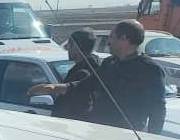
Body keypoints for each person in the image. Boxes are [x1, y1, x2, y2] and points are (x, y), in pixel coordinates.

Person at [29, 20, 165, 133]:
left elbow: (158, 109)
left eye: (111, 36)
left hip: (126, 136)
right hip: (97, 131)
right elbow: (86, 85)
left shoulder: (149, 69)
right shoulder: (109, 63)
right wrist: (55, 88)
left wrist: (153, 139)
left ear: (124, 39)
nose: (108, 41)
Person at [50, 28, 100, 122]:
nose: (67, 48)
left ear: (76, 47)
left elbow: (78, 107)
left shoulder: (82, 74)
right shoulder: (95, 68)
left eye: (69, 45)